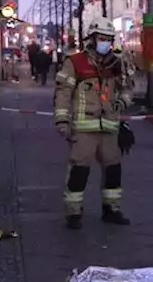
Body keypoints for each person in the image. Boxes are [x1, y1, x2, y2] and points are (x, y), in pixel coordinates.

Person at [53, 17, 133, 229]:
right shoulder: (75, 63)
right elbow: (63, 92)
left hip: (109, 126)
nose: (105, 42)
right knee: (79, 170)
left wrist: (123, 101)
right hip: (83, 127)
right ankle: (73, 213)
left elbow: (127, 88)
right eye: (101, 38)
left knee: (113, 169)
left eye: (108, 38)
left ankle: (112, 209)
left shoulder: (117, 64)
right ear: (91, 38)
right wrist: (62, 119)